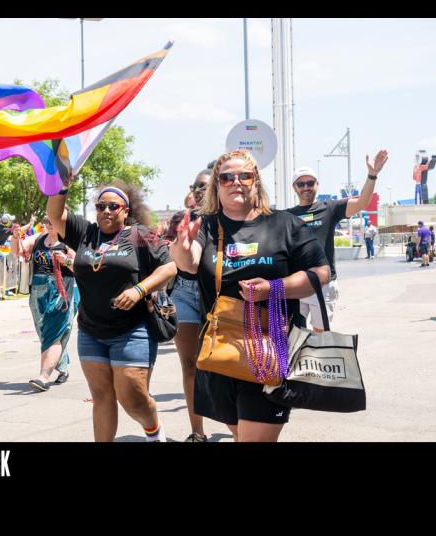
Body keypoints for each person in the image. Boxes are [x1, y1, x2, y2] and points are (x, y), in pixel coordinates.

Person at [170, 150, 330, 442]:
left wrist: (274, 287)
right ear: (217, 185)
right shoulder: (207, 226)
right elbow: (189, 263)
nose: (236, 182)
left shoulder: (285, 224)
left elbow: (320, 272)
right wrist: (182, 246)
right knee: (240, 435)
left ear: (256, 181)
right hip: (219, 351)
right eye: (227, 177)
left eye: (245, 176)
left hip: (271, 347)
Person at [47, 181, 177, 442]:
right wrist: (61, 185)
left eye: (113, 206)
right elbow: (55, 214)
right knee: (102, 396)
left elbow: (169, 267)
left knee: (132, 397)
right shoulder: (86, 233)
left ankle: (154, 430)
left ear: (125, 210)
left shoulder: (141, 235)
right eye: (101, 206)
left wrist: (138, 290)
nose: (106, 210)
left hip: (132, 329)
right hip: (91, 330)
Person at [286, 149, 389, 332]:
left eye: (310, 183)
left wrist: (372, 175)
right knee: (292, 335)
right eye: (301, 184)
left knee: (321, 337)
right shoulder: (287, 216)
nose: (306, 187)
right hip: (296, 285)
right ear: (294, 188)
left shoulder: (329, 208)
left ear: (317, 184)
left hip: (323, 285)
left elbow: (362, 203)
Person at [166, 168, 211, 442]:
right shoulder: (182, 219)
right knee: (189, 364)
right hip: (182, 292)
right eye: (196, 186)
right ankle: (197, 432)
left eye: (205, 185)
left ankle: (239, 426)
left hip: (214, 295)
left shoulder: (227, 220)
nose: (200, 190)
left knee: (221, 364)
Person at [12, 216, 79, 391]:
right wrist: (15, 236)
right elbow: (18, 251)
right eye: (46, 222)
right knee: (44, 332)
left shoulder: (68, 242)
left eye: (52, 221)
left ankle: (43, 377)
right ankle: (62, 367)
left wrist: (67, 261)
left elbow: (80, 268)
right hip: (38, 291)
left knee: (54, 332)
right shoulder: (39, 239)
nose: (48, 225)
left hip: (61, 291)